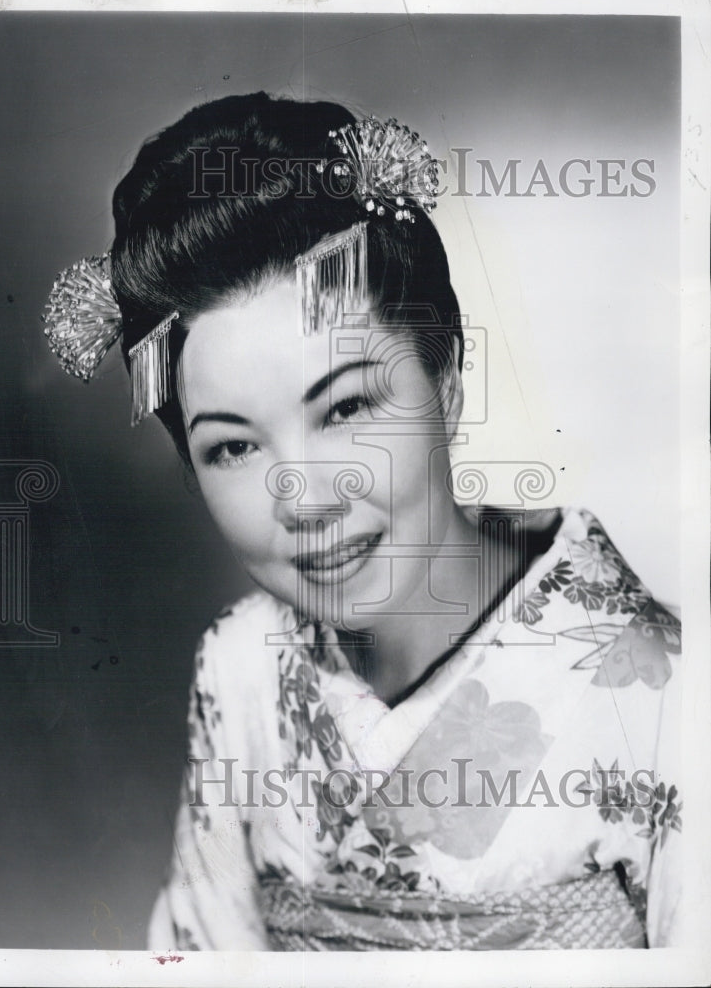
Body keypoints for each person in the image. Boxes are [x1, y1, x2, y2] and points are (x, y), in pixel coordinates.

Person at [43, 92, 682, 950]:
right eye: (232, 449)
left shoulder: (670, 695)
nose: (304, 497)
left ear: (446, 383)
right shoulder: (240, 664)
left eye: (344, 408)